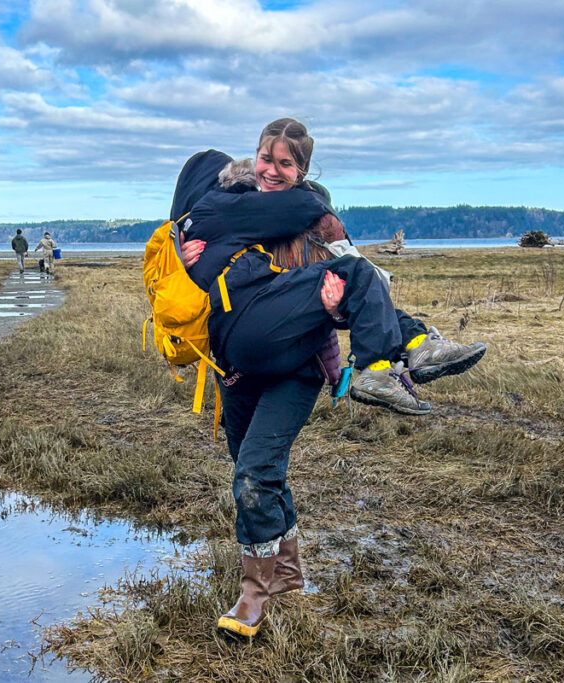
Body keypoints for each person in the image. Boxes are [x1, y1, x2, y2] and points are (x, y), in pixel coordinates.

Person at [170, 119, 484, 638]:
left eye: (285, 163)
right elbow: (204, 275)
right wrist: (190, 255)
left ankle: (253, 597)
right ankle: (287, 571)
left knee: (252, 474)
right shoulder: (233, 207)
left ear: (303, 169)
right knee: (261, 471)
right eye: (265, 158)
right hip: (236, 370)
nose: (272, 170)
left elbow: (362, 286)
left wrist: (337, 313)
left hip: (295, 370)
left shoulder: (318, 223)